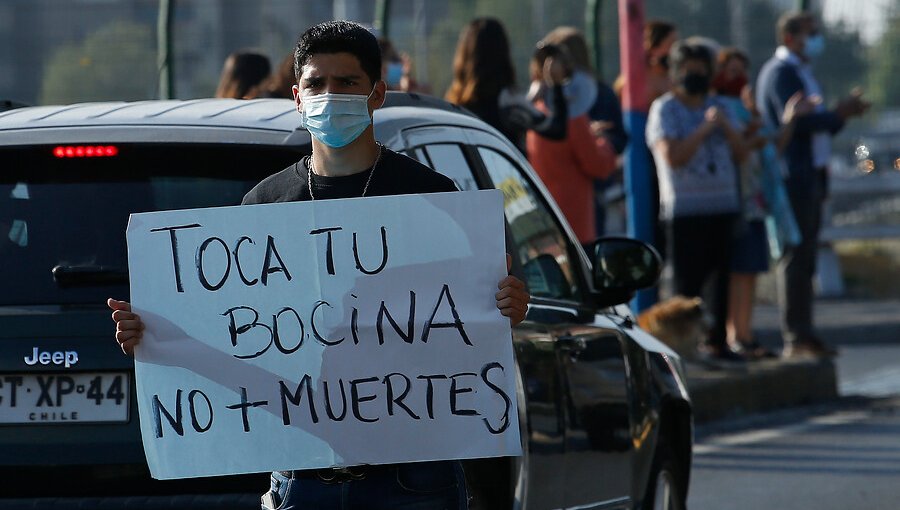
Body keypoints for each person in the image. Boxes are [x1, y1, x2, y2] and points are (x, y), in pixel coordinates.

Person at [108, 20, 530, 510]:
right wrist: (154, 335)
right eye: (316, 84)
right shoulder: (262, 208)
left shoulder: (433, 200)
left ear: (377, 94)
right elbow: (237, 337)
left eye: (347, 82)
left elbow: (468, 327)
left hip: (416, 481)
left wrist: (507, 309)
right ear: (297, 95)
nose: (330, 96)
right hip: (301, 483)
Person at [756, 11, 869, 358]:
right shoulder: (780, 73)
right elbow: (798, 124)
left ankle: (805, 331)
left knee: (806, 257)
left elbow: (818, 124)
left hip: (811, 174)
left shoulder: (800, 71)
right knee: (796, 255)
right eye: (811, 32)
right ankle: (796, 335)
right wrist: (838, 113)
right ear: (791, 37)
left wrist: (839, 116)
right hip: (792, 177)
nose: (817, 38)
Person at [645, 40, 748, 363]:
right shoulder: (665, 109)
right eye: (688, 71)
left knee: (721, 280)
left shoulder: (723, 106)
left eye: (702, 71)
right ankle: (683, 347)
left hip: (723, 205)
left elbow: (743, 154)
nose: (696, 77)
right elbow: (672, 156)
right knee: (687, 283)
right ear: (676, 73)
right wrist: (705, 127)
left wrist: (727, 127)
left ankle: (718, 342)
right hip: (685, 210)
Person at [538, 26, 628, 238]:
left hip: (574, 194)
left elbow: (617, 138)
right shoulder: (549, 98)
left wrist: (597, 139)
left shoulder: (594, 95)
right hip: (576, 196)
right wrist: (595, 139)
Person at [526, 43, 617, 246]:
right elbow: (598, 165)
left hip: (542, 220)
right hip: (574, 223)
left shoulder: (534, 111)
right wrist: (603, 141)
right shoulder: (573, 117)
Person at [445, 17, 568, 154]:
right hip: (506, 175)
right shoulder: (508, 101)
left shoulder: (454, 102)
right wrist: (556, 84)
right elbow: (556, 130)